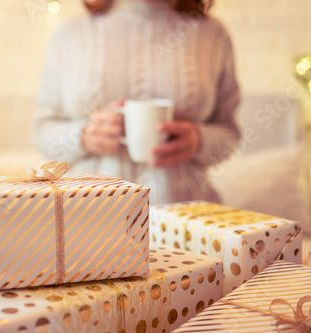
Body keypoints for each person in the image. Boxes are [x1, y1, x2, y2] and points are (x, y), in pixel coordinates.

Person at [33, 0, 240, 205]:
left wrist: (199, 141)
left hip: (187, 218)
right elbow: (42, 131)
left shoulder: (212, 34)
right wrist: (83, 136)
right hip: (87, 216)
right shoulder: (70, 33)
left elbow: (231, 134)